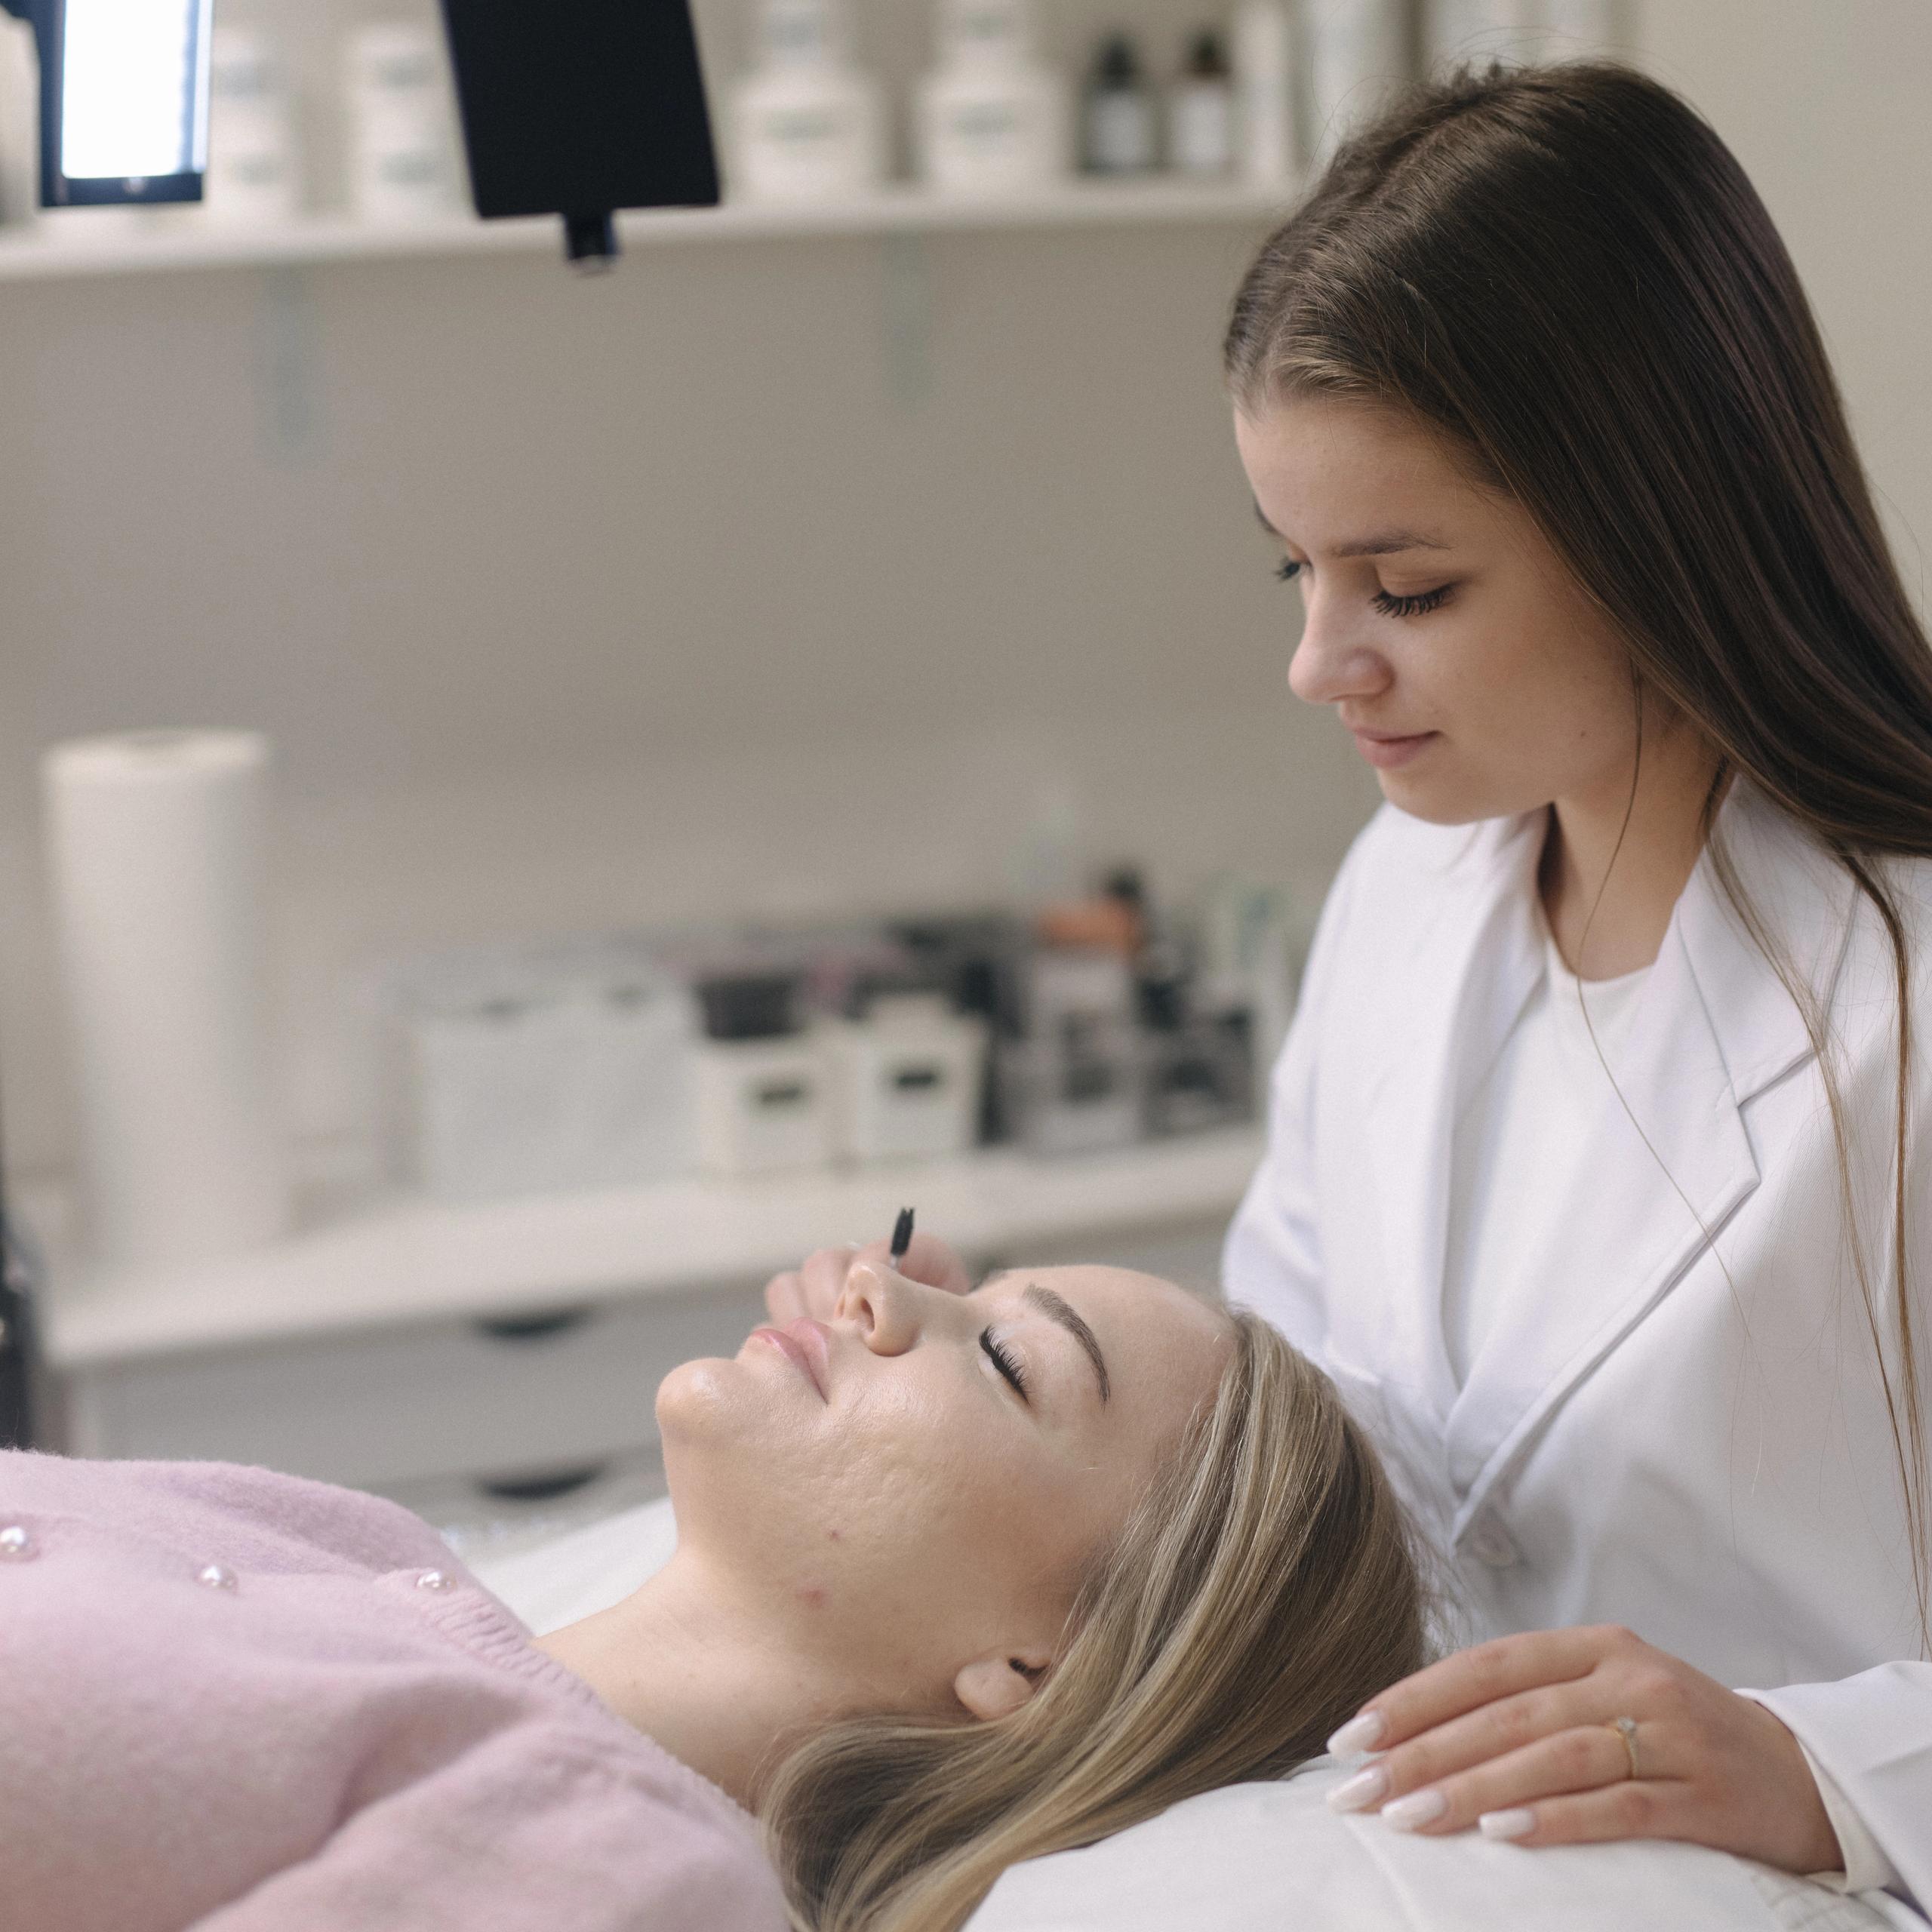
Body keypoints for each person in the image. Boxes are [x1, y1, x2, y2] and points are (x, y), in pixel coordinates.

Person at [770, 60, 1932, 1909]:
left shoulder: (1898, 1002)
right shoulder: (1411, 888)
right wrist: (978, 1392)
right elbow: (1300, 1450)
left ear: (1658, 530)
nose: (1319, 663)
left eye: (1405, 588)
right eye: (1296, 571)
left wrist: (1824, 1771)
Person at [0, 1261, 1421, 1932]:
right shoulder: (343, 1536)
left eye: (1003, 1360)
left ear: (1038, 1668)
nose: (875, 1286)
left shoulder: (620, 1880)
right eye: (966, 1287)